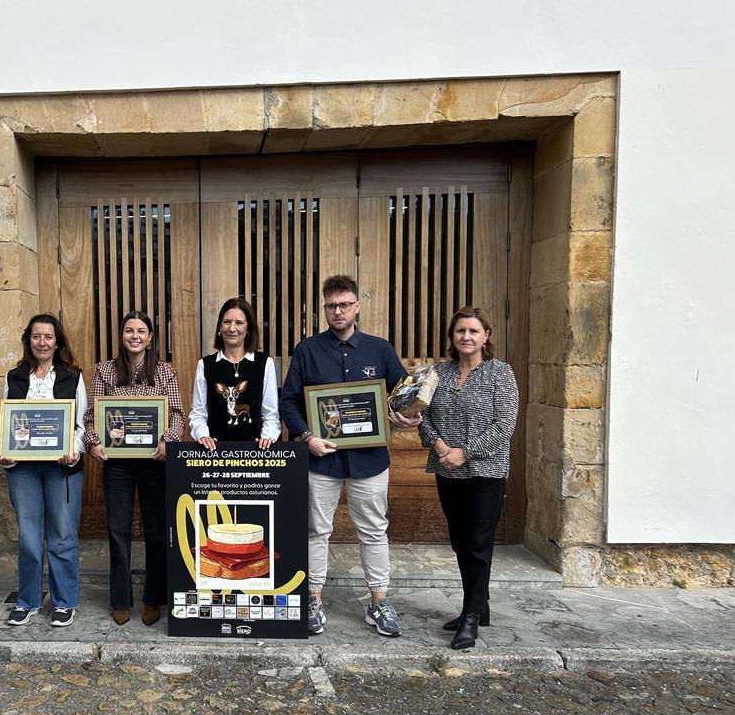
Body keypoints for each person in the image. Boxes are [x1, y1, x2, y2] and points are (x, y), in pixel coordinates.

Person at [280, 275, 419, 637]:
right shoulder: (307, 350)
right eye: (331, 306)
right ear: (323, 308)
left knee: (374, 531)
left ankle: (379, 603)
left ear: (357, 306)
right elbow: (289, 402)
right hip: (320, 461)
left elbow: (403, 396)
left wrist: (407, 414)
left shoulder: (380, 349)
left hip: (370, 462)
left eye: (344, 305)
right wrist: (307, 437)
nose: (338, 311)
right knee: (315, 531)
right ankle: (313, 601)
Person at [419, 307, 519, 650]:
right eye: (460, 330)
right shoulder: (438, 373)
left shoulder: (500, 373)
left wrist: (465, 451)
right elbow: (421, 414)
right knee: (460, 540)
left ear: (486, 336)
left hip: (485, 471)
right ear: (453, 336)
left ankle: (471, 617)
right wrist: (440, 444)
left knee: (478, 542)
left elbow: (504, 426)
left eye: (473, 331)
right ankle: (480, 605)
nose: (466, 336)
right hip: (448, 469)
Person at [85, 311, 186, 626]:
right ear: (121, 335)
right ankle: (121, 599)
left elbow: (178, 414)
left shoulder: (164, 371)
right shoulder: (105, 370)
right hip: (117, 465)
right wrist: (93, 442)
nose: (135, 336)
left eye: (141, 331)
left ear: (150, 337)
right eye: (129, 330)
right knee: (118, 531)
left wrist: (168, 440)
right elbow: (91, 415)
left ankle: (154, 598)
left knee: (157, 532)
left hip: (155, 462)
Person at [0, 314, 87, 628]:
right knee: (29, 539)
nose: (42, 342)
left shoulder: (73, 376)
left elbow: (80, 424)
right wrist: (2, 453)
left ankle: (64, 602)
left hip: (61, 468)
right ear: (28, 340)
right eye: (36, 336)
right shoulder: (15, 376)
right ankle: (28, 601)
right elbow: (7, 421)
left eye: (48, 337)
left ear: (57, 341)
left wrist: (73, 452)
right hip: (24, 470)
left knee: (61, 537)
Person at [189, 297, 280, 449]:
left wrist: (267, 436)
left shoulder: (264, 363)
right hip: (215, 453)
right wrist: (203, 435)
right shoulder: (205, 365)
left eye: (239, 323)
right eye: (226, 322)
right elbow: (198, 414)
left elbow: (270, 414)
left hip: (255, 452)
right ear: (219, 327)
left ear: (249, 328)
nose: (232, 328)